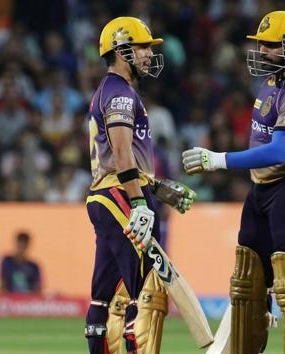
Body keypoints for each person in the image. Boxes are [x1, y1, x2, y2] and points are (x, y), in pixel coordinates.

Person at [182, 11, 285, 354]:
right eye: (260, 43)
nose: (262, 50)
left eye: (270, 45)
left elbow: (278, 151)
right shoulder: (270, 84)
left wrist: (217, 160)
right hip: (261, 190)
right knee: (247, 283)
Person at [84, 17, 196, 354]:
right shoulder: (119, 93)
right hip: (121, 196)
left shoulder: (115, 91)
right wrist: (140, 203)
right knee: (146, 293)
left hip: (109, 196)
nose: (149, 54)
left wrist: (156, 186)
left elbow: (126, 156)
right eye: (142, 47)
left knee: (104, 295)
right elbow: (119, 153)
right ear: (121, 50)